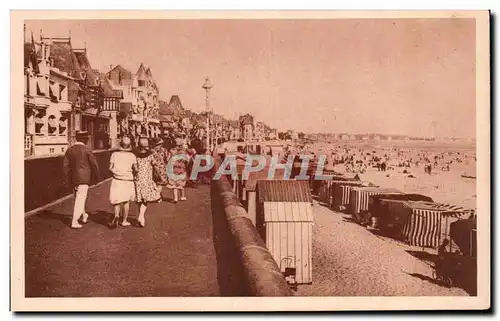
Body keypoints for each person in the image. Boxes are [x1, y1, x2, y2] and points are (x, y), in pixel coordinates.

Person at [63, 131, 99, 229]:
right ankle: (74, 221)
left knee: (77, 196)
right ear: (86, 140)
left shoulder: (69, 150)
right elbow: (94, 165)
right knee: (80, 199)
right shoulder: (87, 150)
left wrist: (67, 179)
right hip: (84, 177)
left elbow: (65, 166)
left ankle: (84, 215)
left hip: (73, 177)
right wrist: (96, 177)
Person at [108, 136, 137, 228]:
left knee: (116, 200)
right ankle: (124, 220)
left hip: (117, 179)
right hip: (128, 180)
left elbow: (110, 168)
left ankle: (116, 216)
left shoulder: (114, 154)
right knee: (126, 201)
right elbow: (136, 169)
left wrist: (116, 172)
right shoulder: (132, 156)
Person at [134, 137, 161, 227]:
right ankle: (141, 216)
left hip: (138, 179)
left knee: (140, 199)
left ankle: (141, 217)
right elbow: (155, 166)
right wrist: (158, 175)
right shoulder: (150, 155)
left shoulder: (135, 155)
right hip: (147, 179)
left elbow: (134, 167)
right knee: (145, 200)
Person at [167, 138, 189, 203]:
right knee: (181, 182)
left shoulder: (172, 151)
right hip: (182, 168)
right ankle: (182, 196)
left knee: (174, 183)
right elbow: (187, 160)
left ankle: (175, 198)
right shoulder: (184, 152)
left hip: (174, 168)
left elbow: (168, 159)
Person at [151, 137, 170, 201]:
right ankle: (157, 197)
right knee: (160, 183)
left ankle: (158, 196)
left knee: (156, 182)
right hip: (161, 167)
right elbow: (167, 159)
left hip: (153, 168)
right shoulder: (164, 150)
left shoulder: (152, 150)